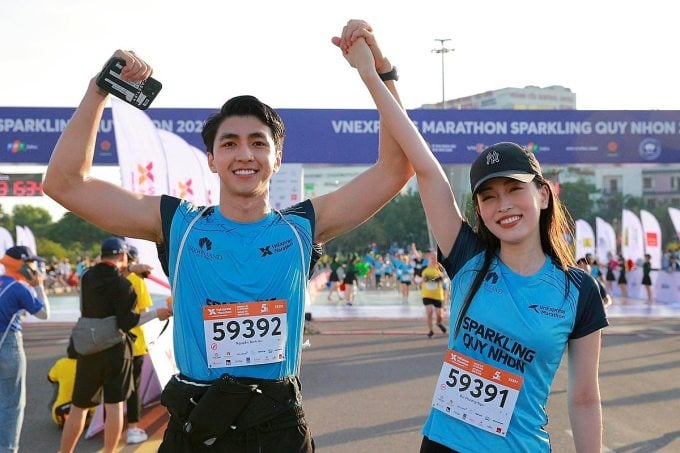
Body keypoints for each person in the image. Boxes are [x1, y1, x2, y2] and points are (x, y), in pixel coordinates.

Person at [43, 20, 413, 452]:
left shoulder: (301, 227)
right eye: (230, 143)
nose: (244, 154)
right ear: (213, 160)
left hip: (276, 425)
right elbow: (64, 183)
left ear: (276, 159)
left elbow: (396, 168)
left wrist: (381, 71)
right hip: (198, 425)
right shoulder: (178, 224)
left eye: (258, 143)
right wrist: (99, 89)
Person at [347, 48, 610, 449]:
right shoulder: (468, 258)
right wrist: (379, 74)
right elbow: (425, 165)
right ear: (479, 209)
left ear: (542, 194)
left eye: (513, 189)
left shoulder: (579, 292)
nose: (502, 204)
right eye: (488, 196)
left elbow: (585, 399)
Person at [58, 237, 171, 453]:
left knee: (79, 407)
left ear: (103, 255)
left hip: (88, 348)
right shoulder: (124, 285)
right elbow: (127, 322)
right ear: (122, 256)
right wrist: (157, 313)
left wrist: (129, 267)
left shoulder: (87, 277)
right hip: (116, 352)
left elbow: (105, 275)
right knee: (114, 405)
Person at [0, 245, 50, 453]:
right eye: (30, 262)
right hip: (8, 346)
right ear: (22, 264)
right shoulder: (19, 289)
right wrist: (38, 286)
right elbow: (44, 314)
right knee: (12, 403)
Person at [122, 245, 155, 444]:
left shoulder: (113, 279)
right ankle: (132, 428)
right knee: (133, 387)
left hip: (115, 339)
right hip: (135, 341)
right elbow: (146, 310)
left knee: (118, 386)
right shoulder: (137, 281)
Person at [47, 344, 95, 429]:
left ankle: (60, 411)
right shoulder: (91, 364)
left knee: (57, 382)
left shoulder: (61, 363)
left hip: (60, 414)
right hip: (89, 416)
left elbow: (50, 378)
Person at [420, 250, 447, 338]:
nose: (433, 259)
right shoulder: (425, 269)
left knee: (440, 315)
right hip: (427, 294)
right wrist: (425, 280)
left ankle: (438, 323)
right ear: (429, 258)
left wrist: (440, 278)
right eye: (432, 258)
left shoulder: (439, 267)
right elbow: (421, 279)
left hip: (438, 294)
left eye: (435, 258)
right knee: (429, 311)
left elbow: (444, 277)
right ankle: (430, 330)